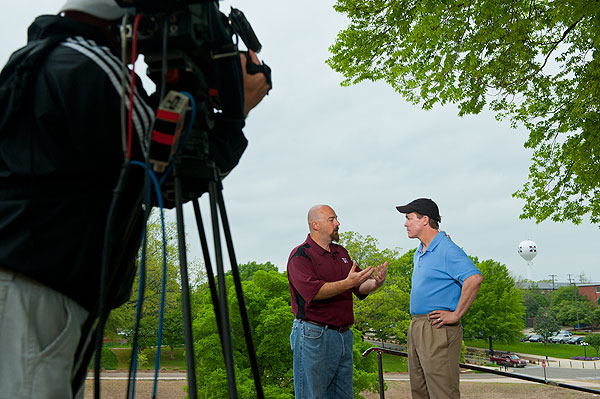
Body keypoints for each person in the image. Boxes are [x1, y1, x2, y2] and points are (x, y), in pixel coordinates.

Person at [0, 1, 270, 398]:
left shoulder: (35, 60)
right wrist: (235, 111)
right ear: (126, 20)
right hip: (37, 290)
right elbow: (167, 176)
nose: (144, 48)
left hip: (27, 279)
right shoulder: (94, 67)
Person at [287, 204, 388, 398]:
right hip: (314, 336)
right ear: (315, 225)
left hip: (343, 336)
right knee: (312, 395)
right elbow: (314, 292)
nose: (337, 223)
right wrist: (347, 282)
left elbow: (358, 286)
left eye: (336, 219)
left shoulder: (341, 253)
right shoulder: (300, 255)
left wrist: (376, 283)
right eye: (332, 220)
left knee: (344, 395)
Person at [396, 198, 483, 399]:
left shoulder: (446, 248)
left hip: (437, 327)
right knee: (419, 390)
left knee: (442, 392)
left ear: (425, 219)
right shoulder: (420, 251)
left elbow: (474, 278)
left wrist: (456, 314)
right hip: (417, 325)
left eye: (409, 218)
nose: (405, 223)